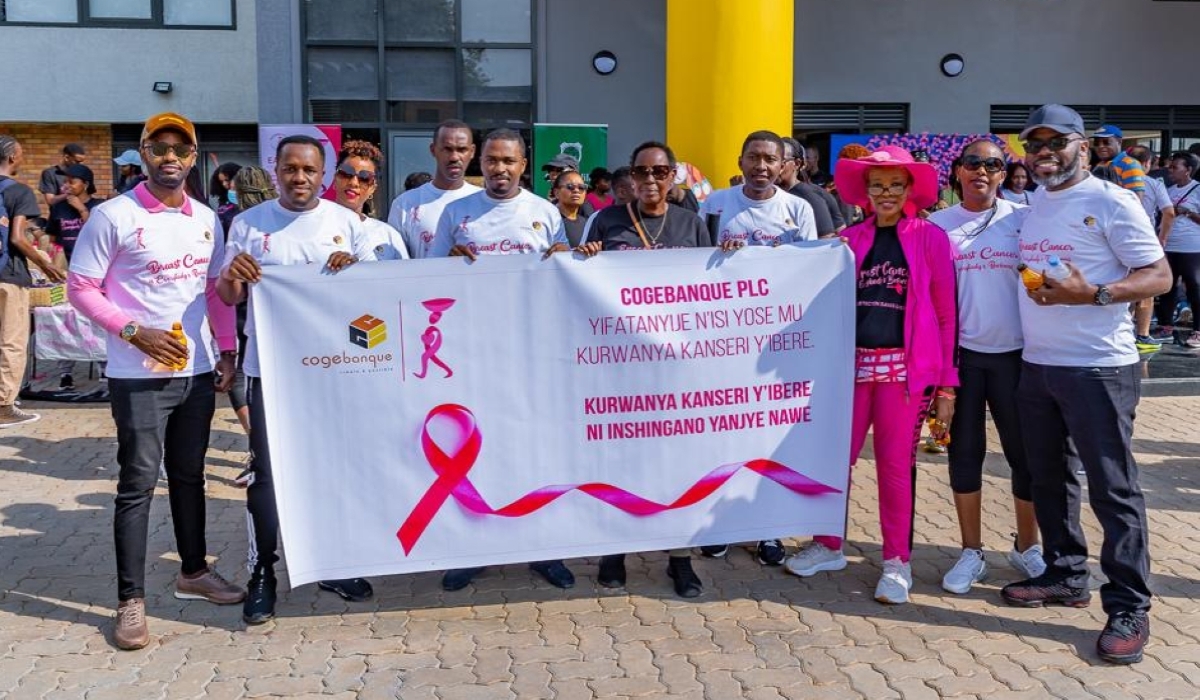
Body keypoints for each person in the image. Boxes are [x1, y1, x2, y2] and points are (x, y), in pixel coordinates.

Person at [1000, 104, 1172, 665]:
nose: (1043, 151)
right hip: (1039, 365)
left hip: (1099, 367)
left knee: (1113, 488)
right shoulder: (1029, 206)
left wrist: (1091, 294)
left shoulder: (1112, 200)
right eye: (1033, 143)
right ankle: (1066, 575)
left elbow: (1159, 275)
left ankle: (1128, 604)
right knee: (1049, 479)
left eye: (1055, 141)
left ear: (1082, 145)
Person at [66, 112, 244, 650]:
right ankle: (130, 600)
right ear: (143, 153)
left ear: (193, 158)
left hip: (194, 371)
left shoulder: (206, 219)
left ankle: (193, 571)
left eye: (180, 149)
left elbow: (214, 289)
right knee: (138, 484)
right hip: (137, 375)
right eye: (158, 148)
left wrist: (228, 347)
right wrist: (133, 331)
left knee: (190, 477)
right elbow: (81, 288)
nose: (170, 157)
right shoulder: (113, 216)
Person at [783, 146, 958, 606]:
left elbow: (945, 314)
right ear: (865, 191)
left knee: (896, 468)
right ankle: (829, 544)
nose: (885, 194)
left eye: (894, 185)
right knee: (834, 459)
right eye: (877, 186)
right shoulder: (850, 240)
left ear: (909, 189)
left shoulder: (930, 238)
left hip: (905, 372)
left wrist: (946, 383)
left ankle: (897, 562)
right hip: (851, 369)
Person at [219, 134, 377, 625]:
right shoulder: (247, 225)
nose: (300, 178)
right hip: (271, 371)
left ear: (324, 175)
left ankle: (331, 563)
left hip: (335, 369)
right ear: (275, 172)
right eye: (290, 169)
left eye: (309, 170)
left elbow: (372, 300)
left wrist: (352, 273)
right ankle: (262, 571)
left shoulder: (347, 223)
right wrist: (236, 276)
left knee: (334, 469)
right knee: (266, 475)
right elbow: (226, 295)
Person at [429, 128, 572, 592]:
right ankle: (472, 549)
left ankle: (544, 549)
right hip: (472, 352)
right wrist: (447, 262)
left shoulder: (544, 212)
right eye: (492, 160)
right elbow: (428, 279)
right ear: (480, 162)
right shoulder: (457, 211)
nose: (500, 170)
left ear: (523, 165)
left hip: (533, 353)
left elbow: (565, 279)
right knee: (475, 451)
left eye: (509, 161)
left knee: (536, 449)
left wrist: (564, 259)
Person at [576, 140, 712, 598]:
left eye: (659, 171)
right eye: (641, 172)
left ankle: (679, 558)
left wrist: (732, 256)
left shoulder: (692, 225)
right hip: (618, 367)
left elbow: (710, 291)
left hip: (675, 369)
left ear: (673, 175)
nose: (650, 180)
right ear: (630, 177)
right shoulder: (606, 221)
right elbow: (575, 280)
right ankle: (616, 550)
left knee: (676, 465)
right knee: (620, 463)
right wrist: (582, 256)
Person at [693, 130, 818, 566]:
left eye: (770, 159)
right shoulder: (715, 205)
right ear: (740, 160)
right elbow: (693, 267)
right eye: (753, 158)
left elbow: (809, 271)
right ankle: (719, 524)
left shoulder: (798, 209)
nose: (761, 167)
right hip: (722, 344)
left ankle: (769, 529)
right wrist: (719, 257)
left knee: (770, 440)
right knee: (722, 436)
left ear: (784, 164)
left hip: (777, 349)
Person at [927, 140, 1044, 595]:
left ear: (1004, 174)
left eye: (993, 164)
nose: (982, 171)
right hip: (962, 362)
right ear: (957, 172)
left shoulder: (1023, 219)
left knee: (1025, 456)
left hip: (1018, 357)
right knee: (964, 454)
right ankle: (971, 551)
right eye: (973, 163)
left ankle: (1027, 546)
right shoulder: (937, 226)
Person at [1, 135, 66, 427]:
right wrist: (46, 264)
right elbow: (17, 238)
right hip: (8, 277)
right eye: (22, 153)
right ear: (13, 157)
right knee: (12, 341)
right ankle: (3, 405)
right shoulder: (18, 191)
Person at [226, 165, 277, 485]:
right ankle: (259, 447)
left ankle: (256, 444)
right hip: (249, 313)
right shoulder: (244, 223)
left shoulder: (243, 221)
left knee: (242, 383)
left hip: (249, 316)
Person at [387, 120, 481, 259]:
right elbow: (394, 264)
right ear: (433, 150)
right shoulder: (405, 204)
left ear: (472, 151)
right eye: (447, 149)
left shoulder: (483, 201)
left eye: (462, 149)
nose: (454, 157)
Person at [47, 163, 103, 389]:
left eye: (72, 181)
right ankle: (65, 373)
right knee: (65, 322)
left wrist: (82, 210)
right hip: (68, 273)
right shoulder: (58, 209)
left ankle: (105, 370)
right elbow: (53, 242)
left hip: (98, 276)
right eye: (65, 181)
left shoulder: (100, 208)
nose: (66, 186)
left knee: (98, 321)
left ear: (86, 184)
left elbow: (99, 236)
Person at [1127, 145, 1176, 352]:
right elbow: (1169, 212)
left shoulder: (1114, 181)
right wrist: (1162, 237)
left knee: (1123, 284)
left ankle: (1123, 332)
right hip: (1144, 240)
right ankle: (1142, 335)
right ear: (1147, 163)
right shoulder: (1154, 183)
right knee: (1146, 288)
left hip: (1117, 240)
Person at [334, 139, 409, 261]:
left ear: (373, 188)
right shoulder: (315, 226)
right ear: (335, 178)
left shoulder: (387, 235)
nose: (353, 183)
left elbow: (403, 277)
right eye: (346, 173)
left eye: (364, 178)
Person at [1154, 151, 1200, 348]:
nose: (1170, 170)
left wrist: (1188, 212)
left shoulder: (1198, 189)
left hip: (1191, 246)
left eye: (1175, 167)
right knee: (1167, 287)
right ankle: (1166, 325)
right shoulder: (1168, 190)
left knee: (1194, 287)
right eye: (1170, 166)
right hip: (1169, 245)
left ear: (1188, 170)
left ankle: (1197, 330)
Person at [778, 137, 839, 238]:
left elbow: (826, 240)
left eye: (782, 161)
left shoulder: (809, 197)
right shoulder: (771, 194)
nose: (775, 166)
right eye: (772, 160)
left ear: (797, 164)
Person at [1090, 125, 1145, 195]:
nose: (1101, 146)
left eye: (1106, 142)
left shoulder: (1129, 164)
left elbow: (1136, 199)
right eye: (1096, 143)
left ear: (1119, 142)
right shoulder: (1098, 165)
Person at [552, 169, 594, 247]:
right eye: (570, 187)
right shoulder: (547, 220)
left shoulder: (587, 223)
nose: (576, 190)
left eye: (581, 187)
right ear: (556, 192)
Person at [39, 142, 87, 209]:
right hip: (59, 216)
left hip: (81, 215)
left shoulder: (82, 172)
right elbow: (50, 200)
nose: (80, 165)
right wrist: (72, 193)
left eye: (82, 162)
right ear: (66, 157)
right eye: (77, 161)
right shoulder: (50, 173)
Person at [210, 162, 242, 233]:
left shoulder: (246, 200)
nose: (224, 184)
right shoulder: (223, 200)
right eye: (221, 182)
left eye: (227, 180)